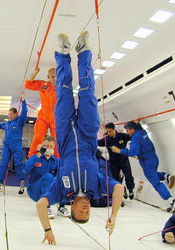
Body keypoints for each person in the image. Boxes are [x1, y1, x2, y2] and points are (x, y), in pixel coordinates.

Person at [36, 31, 124, 245]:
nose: (86, 210)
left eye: (81, 213)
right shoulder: (99, 188)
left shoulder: (61, 191)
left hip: (65, 136)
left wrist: (47, 228)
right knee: (87, 91)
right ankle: (84, 51)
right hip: (87, 134)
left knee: (64, 92)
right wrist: (113, 215)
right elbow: (119, 189)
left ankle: (62, 52)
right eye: (88, 214)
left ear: (72, 210)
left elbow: (40, 204)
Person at [111, 121, 175, 212]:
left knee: (156, 183)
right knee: (153, 174)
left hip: (147, 162)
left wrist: (119, 151)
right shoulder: (142, 132)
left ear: (132, 129)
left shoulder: (135, 138)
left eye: (127, 131)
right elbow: (141, 135)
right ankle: (165, 176)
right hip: (153, 158)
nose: (127, 133)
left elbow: (133, 152)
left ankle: (171, 200)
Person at [0, 92, 27, 195]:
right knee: (3, 163)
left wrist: (24, 101)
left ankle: (22, 185)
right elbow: (0, 125)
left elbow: (24, 112)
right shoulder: (7, 124)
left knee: (18, 164)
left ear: (16, 114)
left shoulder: (20, 121)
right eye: (8, 115)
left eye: (11, 114)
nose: (9, 116)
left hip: (16, 145)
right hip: (7, 145)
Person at [24, 136, 69, 218]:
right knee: (48, 177)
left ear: (54, 147)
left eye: (51, 146)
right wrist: (38, 154)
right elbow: (26, 170)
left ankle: (61, 207)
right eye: (46, 146)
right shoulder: (36, 158)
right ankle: (45, 207)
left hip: (50, 192)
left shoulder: (56, 161)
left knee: (64, 178)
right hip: (35, 190)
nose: (49, 148)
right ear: (42, 146)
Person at [25, 67, 58, 158]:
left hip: (56, 118)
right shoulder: (42, 85)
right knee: (38, 137)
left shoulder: (62, 87)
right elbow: (27, 84)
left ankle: (57, 161)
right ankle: (33, 158)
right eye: (53, 77)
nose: (55, 79)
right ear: (48, 76)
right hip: (43, 116)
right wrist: (35, 72)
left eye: (57, 76)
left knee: (57, 140)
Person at [98, 122, 135, 199]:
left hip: (124, 161)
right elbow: (96, 143)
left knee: (129, 176)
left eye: (110, 131)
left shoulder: (122, 136)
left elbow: (133, 136)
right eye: (107, 131)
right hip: (114, 163)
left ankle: (130, 190)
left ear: (114, 129)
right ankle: (122, 191)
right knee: (116, 180)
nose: (109, 133)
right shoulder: (107, 139)